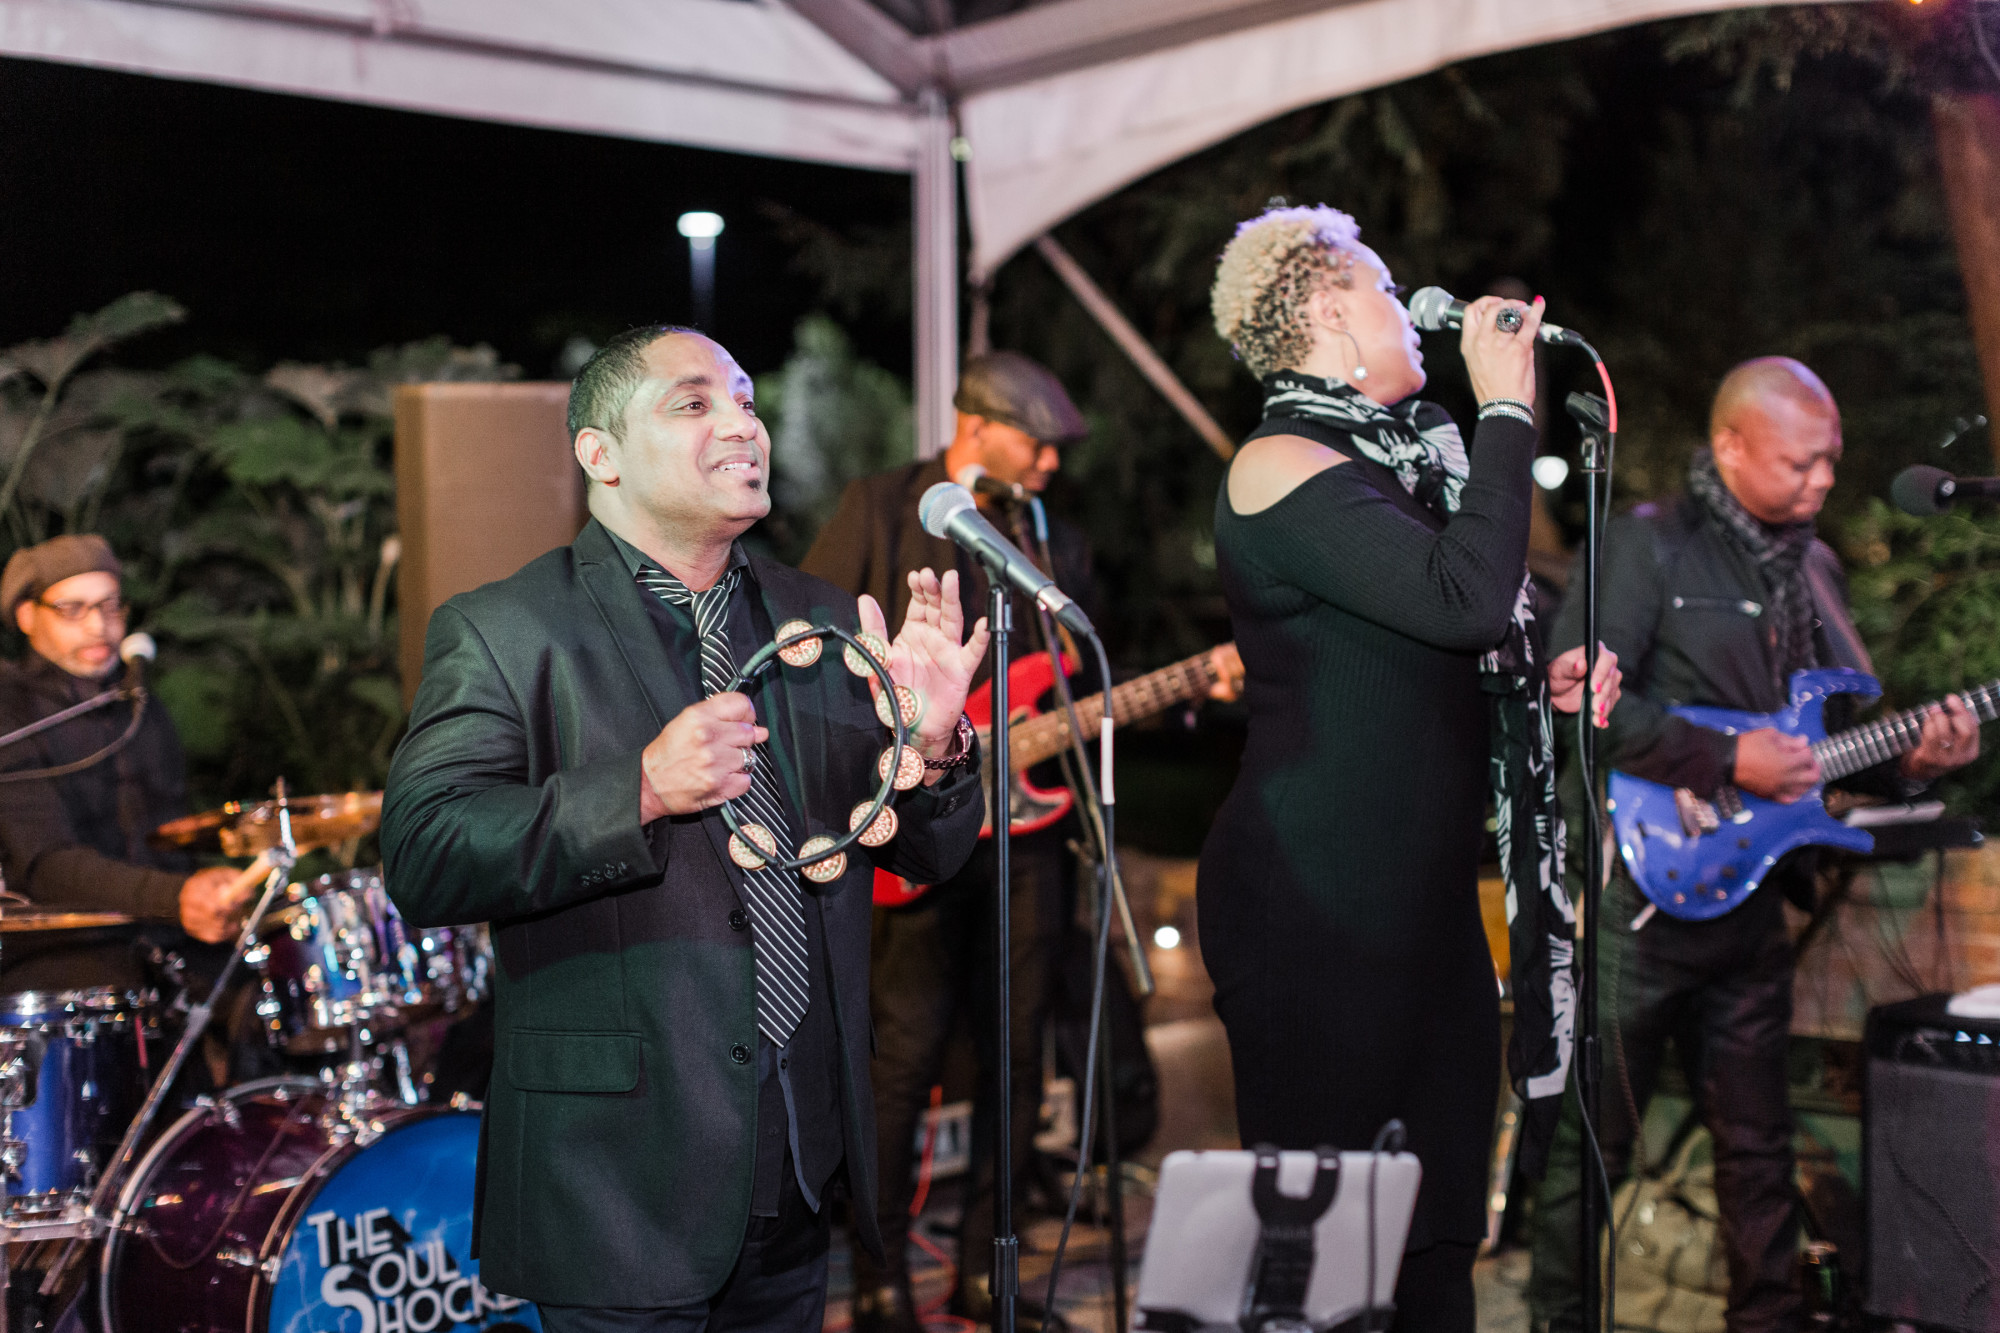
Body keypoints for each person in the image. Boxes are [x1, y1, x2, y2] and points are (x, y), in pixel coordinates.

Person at [381, 325, 990, 1333]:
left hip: (800, 1168)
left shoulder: (821, 616)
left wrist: (931, 750)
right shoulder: (507, 629)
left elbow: (927, 850)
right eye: (694, 403)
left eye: (745, 400)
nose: (742, 425)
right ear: (600, 453)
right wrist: (640, 791)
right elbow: (424, 852)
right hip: (617, 1185)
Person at [1196, 205, 1619, 1333]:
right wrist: (1506, 409)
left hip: (1421, 908)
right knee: (1324, 1269)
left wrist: (1544, 677)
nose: (1412, 308)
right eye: (1385, 289)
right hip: (1311, 905)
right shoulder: (1277, 461)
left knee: (1435, 1249)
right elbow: (1461, 598)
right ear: (1329, 310)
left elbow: (1456, 634)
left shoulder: (1411, 463)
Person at [1526, 357, 1979, 1333]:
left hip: (1752, 899)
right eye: (1800, 462)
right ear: (1729, 445)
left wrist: (1912, 761)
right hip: (1638, 894)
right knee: (1591, 1145)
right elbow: (1580, 713)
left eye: (1830, 460)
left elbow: (1824, 748)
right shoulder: (1645, 546)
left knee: (1758, 1144)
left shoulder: (1814, 569)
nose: (1823, 480)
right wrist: (1727, 758)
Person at [802, 351, 1098, 1333]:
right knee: (903, 1056)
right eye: (1035, 441)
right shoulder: (881, 505)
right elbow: (813, 641)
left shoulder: (1045, 535)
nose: (1050, 462)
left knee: (1016, 1055)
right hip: (917, 827)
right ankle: (879, 1273)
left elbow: (1073, 670)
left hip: (1028, 838)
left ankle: (985, 1269)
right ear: (974, 424)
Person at [0, 534, 252, 993]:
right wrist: (177, 897)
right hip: (61, 948)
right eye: (72, 609)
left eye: (110, 605)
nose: (99, 626)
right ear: (26, 615)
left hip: (162, 933)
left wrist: (206, 888)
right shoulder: (10, 710)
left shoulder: (138, 704)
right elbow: (48, 866)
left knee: (261, 987)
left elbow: (172, 837)